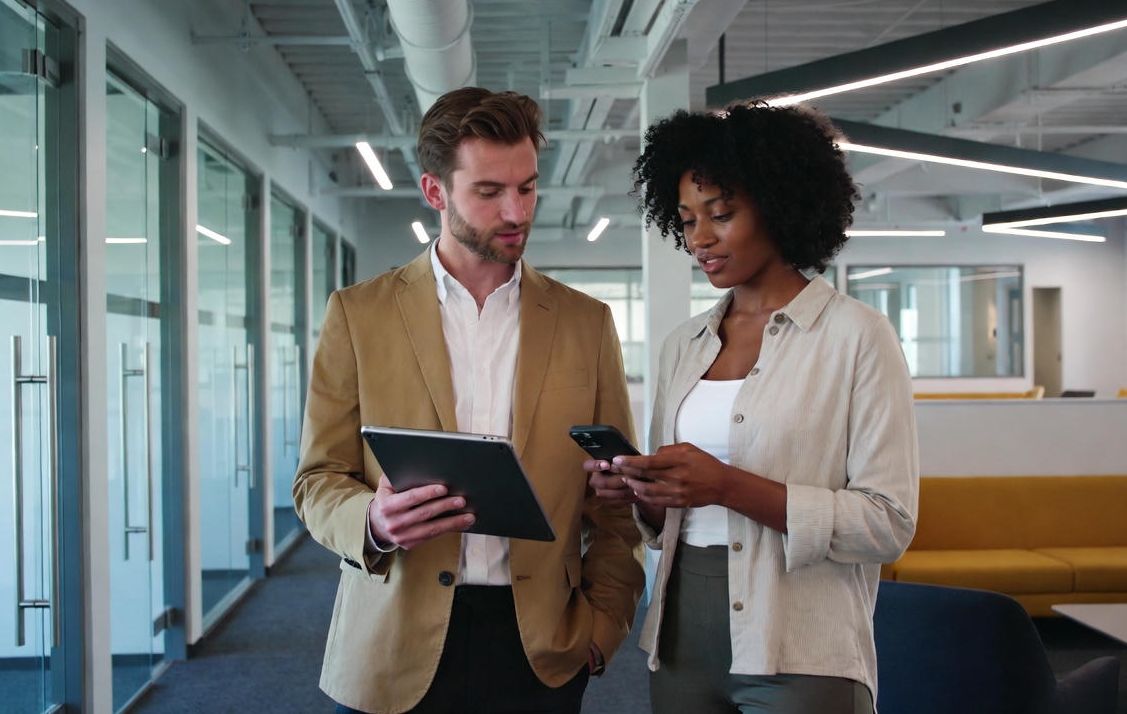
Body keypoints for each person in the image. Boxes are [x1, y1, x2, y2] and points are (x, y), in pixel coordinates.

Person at [294, 87, 644, 714]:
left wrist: (603, 627)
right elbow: (317, 480)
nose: (516, 211)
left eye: (527, 188)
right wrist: (372, 522)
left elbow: (614, 499)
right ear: (435, 192)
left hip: (542, 645)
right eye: (489, 192)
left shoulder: (585, 323)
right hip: (392, 637)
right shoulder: (358, 314)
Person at [585, 102, 919, 713]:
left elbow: (887, 522)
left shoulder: (856, 336)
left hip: (802, 640)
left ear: (779, 204)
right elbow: (669, 518)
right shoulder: (683, 345)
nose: (700, 239)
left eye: (722, 214)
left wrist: (727, 486)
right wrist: (643, 491)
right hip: (681, 635)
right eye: (687, 220)